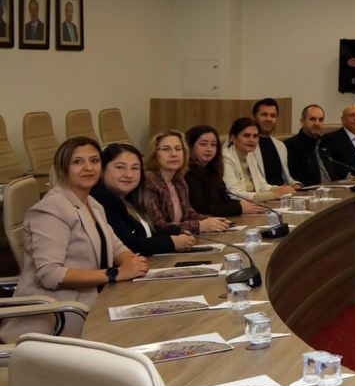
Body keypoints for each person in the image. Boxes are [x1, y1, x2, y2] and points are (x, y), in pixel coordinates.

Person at [3, 138, 149, 341]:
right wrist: (115, 273)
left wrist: (130, 261)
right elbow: (51, 274)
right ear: (63, 169)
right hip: (57, 318)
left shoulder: (92, 203)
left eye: (94, 161)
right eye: (78, 162)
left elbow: (115, 246)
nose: (88, 168)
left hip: (92, 304)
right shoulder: (51, 209)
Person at [91, 142, 197, 255]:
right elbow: (129, 245)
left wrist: (176, 231)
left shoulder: (131, 200)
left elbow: (148, 234)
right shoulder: (103, 199)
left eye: (135, 168)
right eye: (120, 167)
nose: (129, 174)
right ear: (102, 170)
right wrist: (171, 242)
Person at [143, 131, 230, 235]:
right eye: (166, 149)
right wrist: (199, 226)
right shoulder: (149, 182)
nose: (174, 154)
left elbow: (188, 214)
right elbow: (158, 226)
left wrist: (212, 221)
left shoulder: (179, 181)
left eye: (178, 149)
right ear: (154, 154)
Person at [184, 125, 265, 217]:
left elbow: (224, 199)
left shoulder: (212, 170)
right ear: (190, 146)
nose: (209, 149)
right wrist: (239, 207)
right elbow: (201, 209)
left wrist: (246, 205)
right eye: (203, 144)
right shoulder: (188, 173)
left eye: (213, 145)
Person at [223, 117, 296, 203]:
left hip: (255, 205)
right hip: (237, 207)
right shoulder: (225, 159)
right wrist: (273, 194)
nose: (251, 140)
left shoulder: (250, 155)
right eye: (246, 136)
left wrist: (279, 189)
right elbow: (234, 194)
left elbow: (261, 185)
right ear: (233, 138)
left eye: (255, 136)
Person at [252, 98, 297, 187]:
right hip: (264, 193)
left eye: (273, 116)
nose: (269, 119)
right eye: (264, 114)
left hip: (283, 192)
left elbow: (287, 178)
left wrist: (296, 184)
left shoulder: (280, 145)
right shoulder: (247, 145)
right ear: (254, 117)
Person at [284, 104, 331, 186]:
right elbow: (289, 178)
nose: (317, 123)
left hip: (333, 188)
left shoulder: (326, 142)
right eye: (312, 119)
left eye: (320, 120)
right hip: (310, 191)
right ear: (302, 121)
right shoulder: (290, 145)